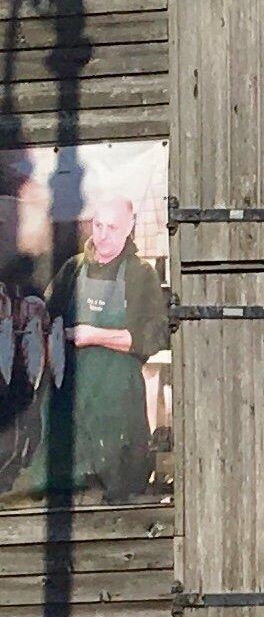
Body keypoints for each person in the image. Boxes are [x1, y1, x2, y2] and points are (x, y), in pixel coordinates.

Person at [49, 187, 169, 502]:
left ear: (129, 227)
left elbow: (152, 337)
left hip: (120, 411)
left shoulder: (141, 274)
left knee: (121, 494)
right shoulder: (72, 270)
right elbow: (46, 324)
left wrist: (92, 335)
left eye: (112, 227)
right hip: (75, 406)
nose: (102, 235)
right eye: (97, 225)